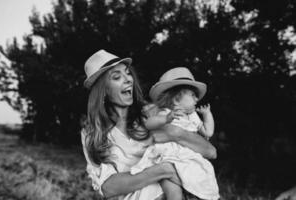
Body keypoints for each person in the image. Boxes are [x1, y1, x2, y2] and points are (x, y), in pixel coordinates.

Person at [81, 49, 217, 200]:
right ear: (104, 90)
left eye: (128, 73)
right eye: (117, 77)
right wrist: (164, 170)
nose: (128, 79)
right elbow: (108, 188)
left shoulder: (151, 114)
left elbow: (210, 152)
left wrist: (175, 133)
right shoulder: (92, 133)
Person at [130, 67, 219, 200]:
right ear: (176, 99)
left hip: (189, 156)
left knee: (203, 178)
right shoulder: (166, 113)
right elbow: (149, 124)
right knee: (172, 187)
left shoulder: (193, 116)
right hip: (169, 155)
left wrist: (207, 115)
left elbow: (208, 132)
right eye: (192, 95)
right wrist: (166, 119)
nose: (196, 99)